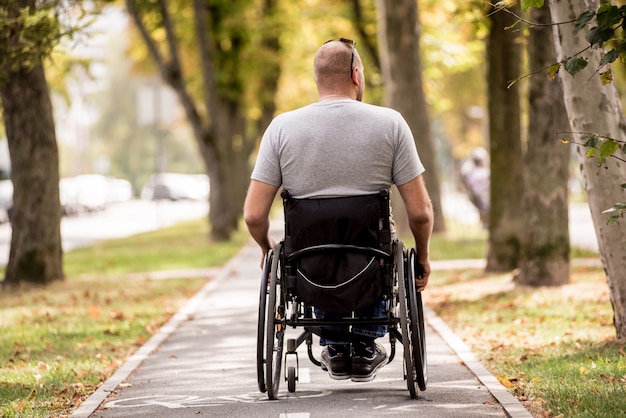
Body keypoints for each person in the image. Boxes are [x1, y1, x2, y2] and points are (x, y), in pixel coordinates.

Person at [243, 37, 433, 383]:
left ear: (317, 79)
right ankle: (363, 344)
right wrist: (422, 257)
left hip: (309, 262)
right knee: (378, 246)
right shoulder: (391, 124)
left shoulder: (281, 128)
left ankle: (332, 343)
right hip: (372, 257)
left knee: (316, 251)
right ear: (356, 75)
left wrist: (266, 251)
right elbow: (420, 213)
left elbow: (254, 215)